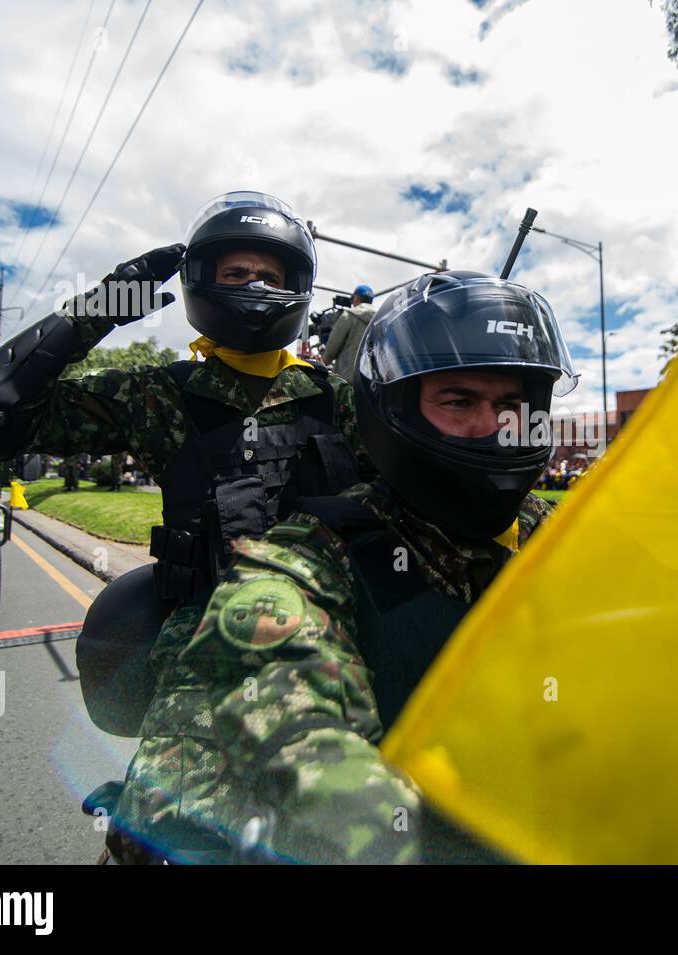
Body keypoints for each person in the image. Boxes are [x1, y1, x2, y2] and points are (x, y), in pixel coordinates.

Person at [0, 191, 373, 860]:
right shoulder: (160, 394)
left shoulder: (340, 401)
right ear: (203, 284)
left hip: (338, 663)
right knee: (162, 841)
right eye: (236, 274)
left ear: (297, 289)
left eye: (270, 275)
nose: (254, 287)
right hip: (200, 671)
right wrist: (101, 308)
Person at [160, 269, 580, 863]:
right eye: (458, 401)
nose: (492, 428)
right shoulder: (313, 558)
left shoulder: (575, 535)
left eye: (512, 404)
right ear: (394, 411)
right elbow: (286, 711)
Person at [321, 283, 377, 383]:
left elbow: (333, 346)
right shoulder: (378, 319)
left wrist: (323, 363)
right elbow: (372, 350)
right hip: (369, 380)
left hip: (346, 378)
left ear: (356, 298)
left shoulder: (349, 315)